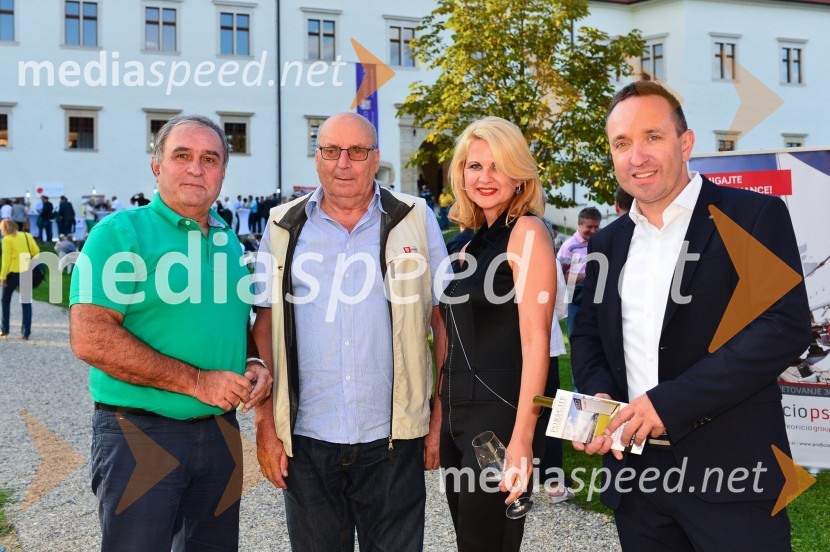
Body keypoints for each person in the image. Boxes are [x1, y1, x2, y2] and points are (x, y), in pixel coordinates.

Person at [570, 81, 811, 550]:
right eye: (622, 143)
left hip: (732, 475)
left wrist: (670, 403)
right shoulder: (607, 243)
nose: (636, 156)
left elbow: (783, 326)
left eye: (652, 137)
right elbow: (586, 335)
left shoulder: (753, 215)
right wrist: (598, 398)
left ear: (686, 143)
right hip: (635, 479)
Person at [69, 114, 273, 551]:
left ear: (222, 172)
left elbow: (232, 320)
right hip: (140, 433)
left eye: (210, 158)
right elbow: (91, 337)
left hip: (219, 433)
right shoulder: (119, 233)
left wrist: (254, 360)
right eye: (182, 156)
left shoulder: (227, 239)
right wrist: (197, 381)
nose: (196, 168)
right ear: (157, 166)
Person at [252, 112, 449, 551]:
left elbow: (442, 319)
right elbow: (263, 322)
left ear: (375, 158)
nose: (344, 162)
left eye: (357, 151)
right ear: (317, 157)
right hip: (307, 439)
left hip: (393, 439)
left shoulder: (415, 219)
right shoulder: (283, 226)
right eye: (331, 151)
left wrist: (439, 417)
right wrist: (266, 424)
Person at [440, 116, 556, 550]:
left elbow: (537, 341)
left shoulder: (526, 233)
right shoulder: (464, 245)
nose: (485, 177)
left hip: (500, 417)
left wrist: (523, 439)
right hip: (456, 416)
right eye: (475, 166)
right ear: (461, 175)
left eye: (497, 166)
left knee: (488, 543)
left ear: (519, 174)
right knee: (470, 539)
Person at [557, 206, 600, 338]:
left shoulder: (601, 242)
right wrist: (588, 277)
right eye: (589, 227)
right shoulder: (568, 246)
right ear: (579, 225)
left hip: (596, 298)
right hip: (574, 300)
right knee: (574, 337)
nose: (593, 230)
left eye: (596, 226)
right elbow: (560, 276)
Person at [1, 219, 39, 340]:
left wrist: (2, 277)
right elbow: (36, 251)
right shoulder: (27, 236)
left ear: (5, 229)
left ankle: (5, 330)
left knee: (5, 301)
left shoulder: (7, 240)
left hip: (13, 274)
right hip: (27, 272)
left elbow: (6, 260)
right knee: (26, 303)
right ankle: (25, 333)